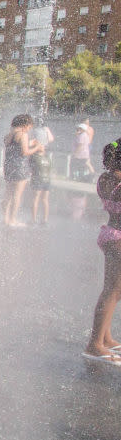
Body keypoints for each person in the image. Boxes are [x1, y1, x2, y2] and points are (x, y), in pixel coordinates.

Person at [84, 140, 121, 365]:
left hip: (110, 233)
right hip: (118, 238)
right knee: (112, 291)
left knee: (114, 290)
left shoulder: (106, 178)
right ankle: (94, 344)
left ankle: (105, 337)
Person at [2, 114, 43, 227]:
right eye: (29, 126)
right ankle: (13, 220)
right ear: (25, 125)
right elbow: (24, 152)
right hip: (20, 167)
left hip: (9, 166)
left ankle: (5, 219)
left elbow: (15, 146)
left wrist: (30, 143)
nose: (29, 129)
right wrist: (37, 148)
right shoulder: (23, 134)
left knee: (8, 194)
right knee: (17, 195)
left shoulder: (9, 135)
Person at [30, 116, 55, 225]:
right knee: (44, 199)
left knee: (36, 198)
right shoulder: (47, 157)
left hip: (39, 179)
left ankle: (34, 219)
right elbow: (51, 139)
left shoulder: (34, 156)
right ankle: (44, 220)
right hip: (46, 179)